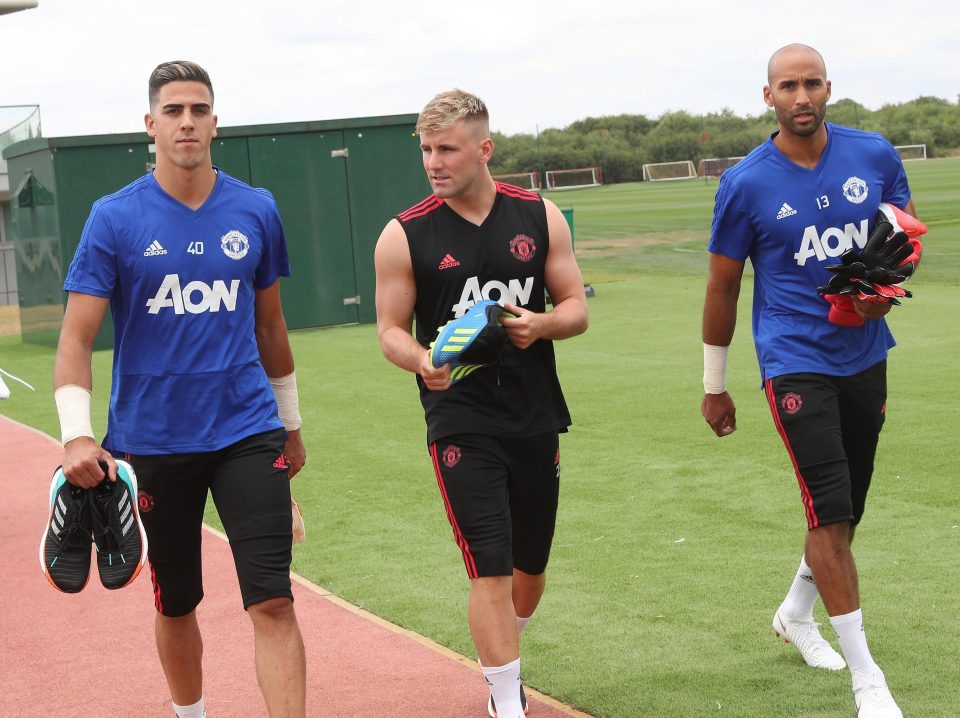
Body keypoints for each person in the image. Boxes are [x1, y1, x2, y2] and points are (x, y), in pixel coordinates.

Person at [52, 61, 307, 718]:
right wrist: (75, 432)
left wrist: (292, 424)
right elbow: (76, 339)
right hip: (153, 441)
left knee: (273, 598)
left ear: (215, 122)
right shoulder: (113, 219)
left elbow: (271, 326)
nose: (187, 121)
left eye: (199, 109)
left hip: (248, 431)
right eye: (174, 111)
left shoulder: (256, 210)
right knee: (177, 600)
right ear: (151, 125)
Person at [700, 44, 918, 718]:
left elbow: (901, 241)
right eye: (788, 85)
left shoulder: (874, 154)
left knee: (847, 506)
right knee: (827, 505)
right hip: (793, 357)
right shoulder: (744, 182)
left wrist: (885, 290)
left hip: (866, 349)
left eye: (812, 83)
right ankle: (867, 680)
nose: (801, 96)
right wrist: (715, 382)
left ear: (829, 89)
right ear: (768, 96)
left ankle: (797, 611)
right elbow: (724, 284)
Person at [374, 89, 588, 718]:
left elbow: (575, 307)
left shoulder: (539, 215)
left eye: (446, 149)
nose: (433, 162)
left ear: (484, 149)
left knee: (530, 569)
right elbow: (389, 327)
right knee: (488, 565)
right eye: (426, 151)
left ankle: (501, 650)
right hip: (458, 416)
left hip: (533, 412)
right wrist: (420, 360)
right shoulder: (404, 233)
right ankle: (505, 699)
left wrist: (540, 326)